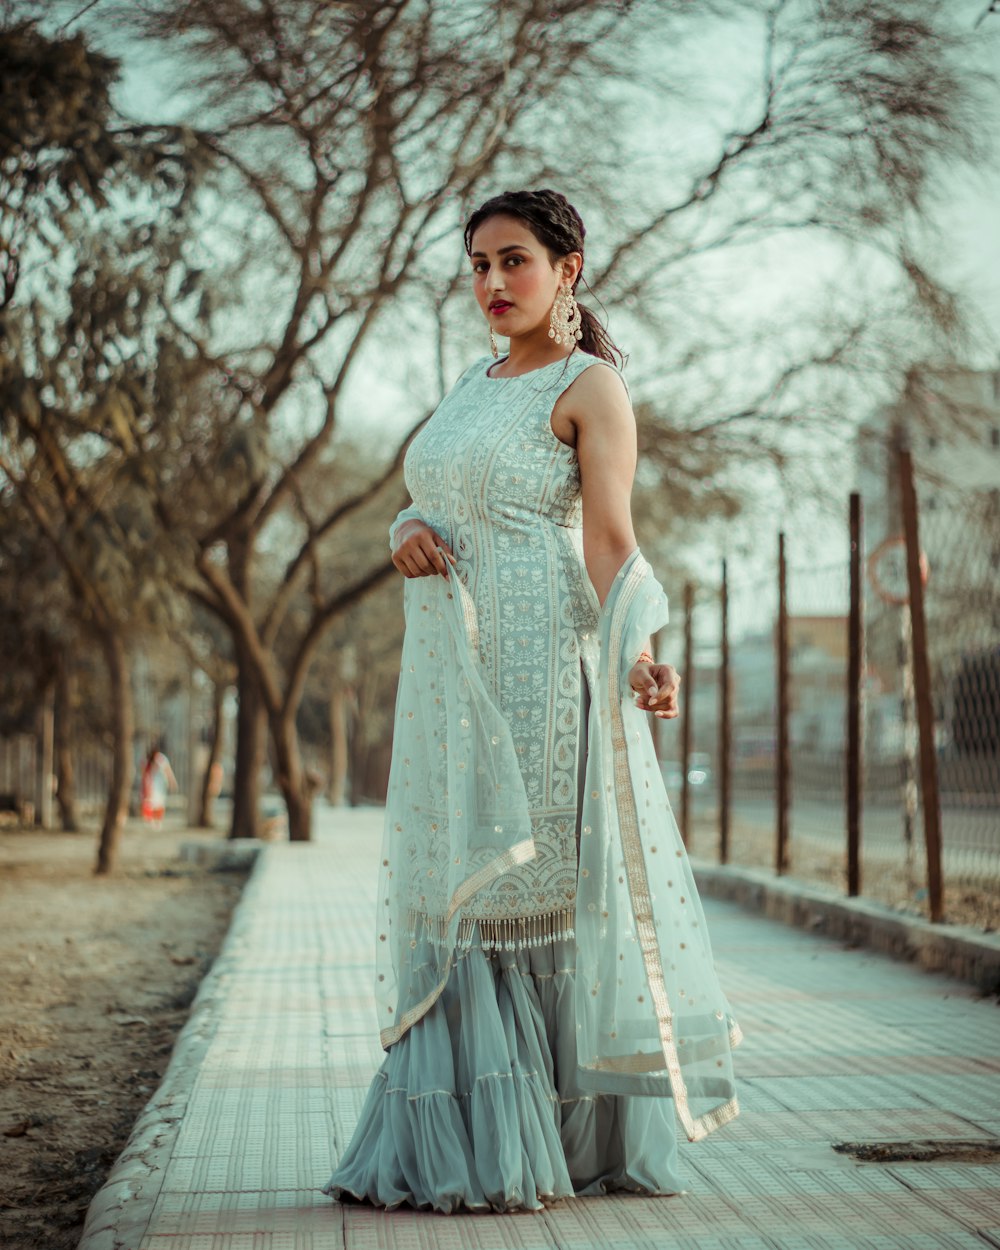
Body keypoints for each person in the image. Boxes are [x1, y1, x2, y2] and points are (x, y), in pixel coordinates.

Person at [322, 189, 743, 1214]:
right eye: (476, 265)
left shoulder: (590, 386)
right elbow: (437, 497)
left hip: (541, 675)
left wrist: (640, 653)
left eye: (513, 260)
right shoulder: (471, 380)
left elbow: (604, 537)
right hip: (445, 684)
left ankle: (539, 1137)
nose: (492, 283)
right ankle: (460, 1133)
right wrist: (397, 534)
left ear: (568, 268)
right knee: (450, 883)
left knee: (516, 892)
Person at [140, 742, 177, 830]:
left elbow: (168, 771)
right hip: (151, 783)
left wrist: (172, 782)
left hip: (160, 784)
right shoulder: (146, 760)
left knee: (159, 802)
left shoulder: (161, 759)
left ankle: (158, 820)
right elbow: (144, 773)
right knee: (149, 802)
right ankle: (149, 820)